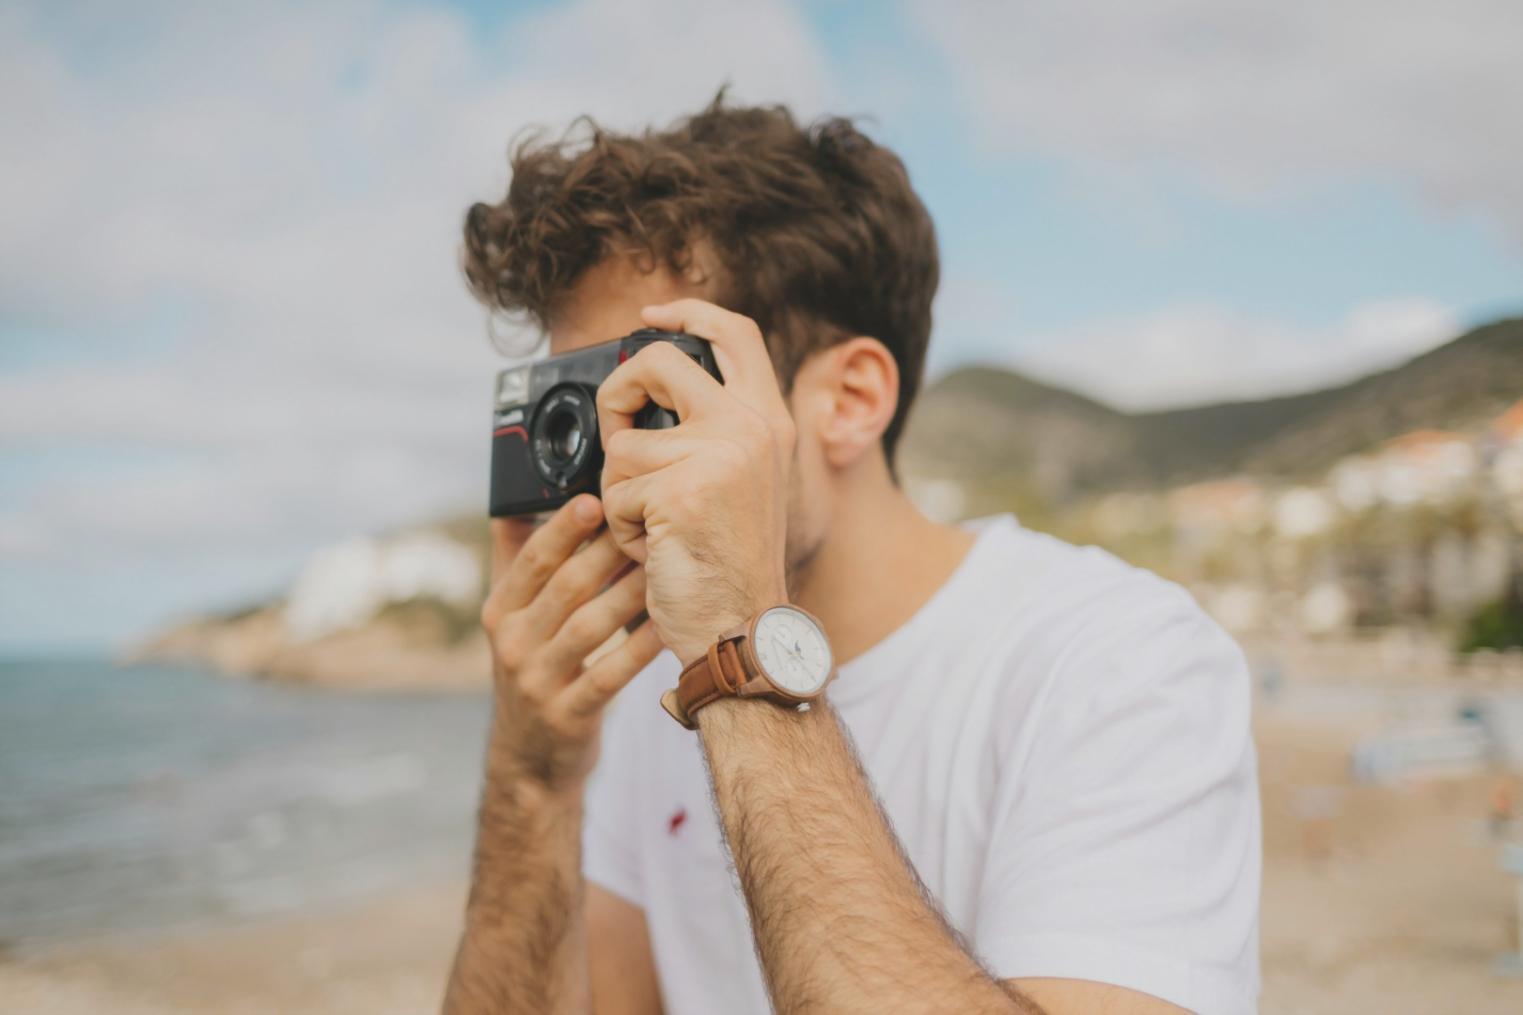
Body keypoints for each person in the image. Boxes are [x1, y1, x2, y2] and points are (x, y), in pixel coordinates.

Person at [443, 96, 1261, 1015]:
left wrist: (739, 645)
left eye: (643, 389)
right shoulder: (651, 694)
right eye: (579, 399)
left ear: (849, 400)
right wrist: (531, 782)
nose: (608, 447)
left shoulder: (1118, 662)